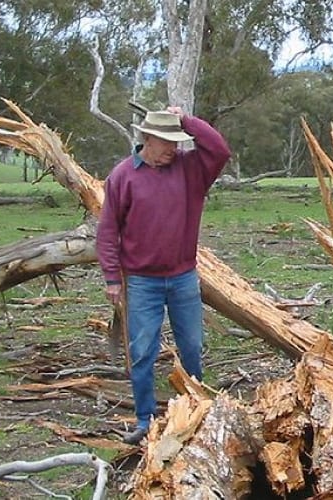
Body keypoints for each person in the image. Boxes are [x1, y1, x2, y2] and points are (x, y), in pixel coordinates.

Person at [96, 106, 231, 445]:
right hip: (142, 281)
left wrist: (186, 120)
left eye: (178, 140)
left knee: (192, 347)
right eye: (167, 142)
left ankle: (195, 411)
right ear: (147, 139)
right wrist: (112, 277)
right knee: (142, 351)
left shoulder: (191, 169)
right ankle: (145, 419)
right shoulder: (123, 176)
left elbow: (219, 149)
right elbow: (108, 230)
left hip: (184, 277)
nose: (174, 148)